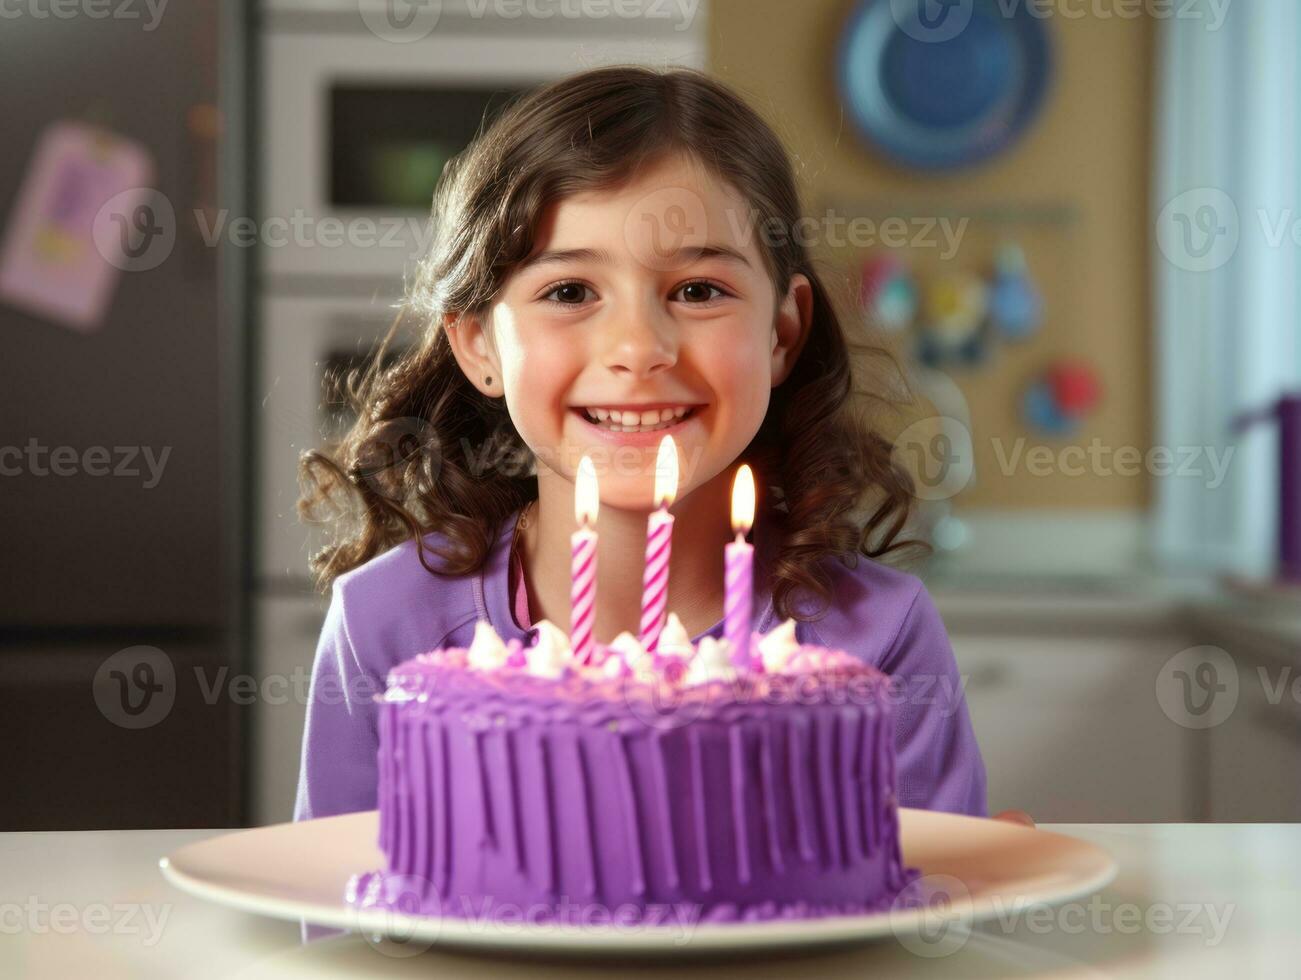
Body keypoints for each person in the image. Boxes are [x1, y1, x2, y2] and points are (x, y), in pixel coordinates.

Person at [293, 66, 1000, 835]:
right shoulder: (386, 624)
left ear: (781, 334)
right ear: (477, 343)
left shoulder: (877, 636)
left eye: (698, 290)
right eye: (568, 292)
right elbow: (338, 926)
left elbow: (922, 929)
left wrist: (963, 881)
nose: (638, 348)